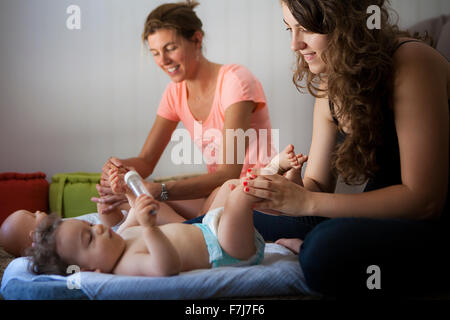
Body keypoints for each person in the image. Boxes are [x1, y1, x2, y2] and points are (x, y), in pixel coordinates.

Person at [240, 0, 449, 297]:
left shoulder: (412, 62)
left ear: (345, 22)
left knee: (324, 249)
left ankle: (307, 250)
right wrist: (291, 188)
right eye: (290, 29)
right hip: (382, 221)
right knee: (238, 214)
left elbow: (425, 202)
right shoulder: (329, 85)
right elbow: (318, 187)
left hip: (429, 223)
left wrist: (304, 202)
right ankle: (177, 237)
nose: (294, 44)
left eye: (305, 29)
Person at [93, 1, 277, 222]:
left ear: (197, 40)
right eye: (155, 53)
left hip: (257, 193)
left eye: (171, 48)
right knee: (129, 199)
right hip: (220, 194)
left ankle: (191, 230)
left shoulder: (235, 81)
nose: (163, 61)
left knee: (157, 200)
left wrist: (159, 190)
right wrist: (120, 170)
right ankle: (190, 227)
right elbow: (146, 160)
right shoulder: (174, 92)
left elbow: (229, 174)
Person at [27, 171, 269, 277]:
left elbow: (136, 208)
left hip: (210, 229)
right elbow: (167, 267)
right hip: (226, 250)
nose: (98, 228)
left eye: (89, 227)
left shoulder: (121, 237)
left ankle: (282, 189)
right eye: (89, 238)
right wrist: (151, 229)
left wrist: (128, 194)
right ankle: (272, 174)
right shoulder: (125, 264)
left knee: (229, 187)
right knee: (241, 196)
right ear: (92, 271)